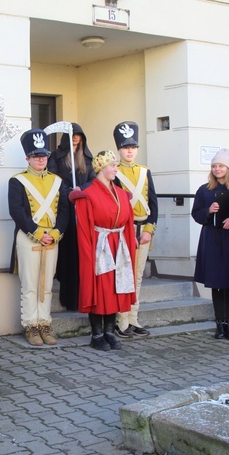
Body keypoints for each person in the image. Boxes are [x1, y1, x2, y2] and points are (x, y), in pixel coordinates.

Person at [70, 150, 137, 351]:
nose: (116, 169)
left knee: (116, 288)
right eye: (112, 166)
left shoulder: (121, 193)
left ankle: (109, 331)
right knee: (100, 289)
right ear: (100, 168)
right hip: (99, 245)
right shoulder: (87, 195)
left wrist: (129, 240)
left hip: (118, 244)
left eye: (116, 166)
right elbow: (83, 228)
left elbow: (128, 221)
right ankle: (97, 334)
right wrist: (88, 253)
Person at [8, 128, 69, 346]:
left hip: (52, 238)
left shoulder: (57, 181)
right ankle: (31, 326)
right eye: (36, 156)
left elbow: (64, 211)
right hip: (29, 237)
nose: (41, 159)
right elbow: (16, 211)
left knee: (46, 284)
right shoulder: (17, 181)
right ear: (28, 158)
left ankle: (45, 323)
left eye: (43, 155)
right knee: (30, 284)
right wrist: (37, 233)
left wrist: (54, 233)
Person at [191, 149, 229, 340]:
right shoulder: (204, 190)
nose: (217, 169)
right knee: (216, 283)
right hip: (212, 239)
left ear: (228, 168)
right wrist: (209, 211)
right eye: (214, 166)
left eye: (221, 165)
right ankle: (219, 323)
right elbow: (196, 214)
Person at [112, 121, 157, 339]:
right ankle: (121, 320)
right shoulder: (114, 172)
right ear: (118, 150)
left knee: (137, 276)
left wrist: (149, 230)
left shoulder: (144, 172)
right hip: (123, 231)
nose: (130, 151)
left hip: (143, 230)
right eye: (125, 147)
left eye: (133, 147)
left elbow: (153, 204)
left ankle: (133, 317)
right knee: (123, 275)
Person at [47, 123, 95, 311]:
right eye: (72, 134)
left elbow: (93, 180)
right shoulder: (56, 157)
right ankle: (68, 298)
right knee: (67, 255)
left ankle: (83, 297)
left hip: (83, 208)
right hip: (64, 208)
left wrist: (81, 190)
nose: (75, 137)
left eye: (78, 134)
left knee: (82, 253)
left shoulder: (87, 158)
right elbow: (53, 178)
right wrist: (68, 192)